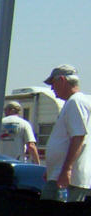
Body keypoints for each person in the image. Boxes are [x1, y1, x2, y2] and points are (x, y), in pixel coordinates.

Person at [41, 64, 91, 202]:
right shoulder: (77, 102)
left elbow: (78, 137)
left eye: (53, 83)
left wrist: (67, 170)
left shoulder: (76, 102)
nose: (52, 88)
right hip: (60, 175)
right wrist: (51, 169)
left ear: (62, 80)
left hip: (68, 180)